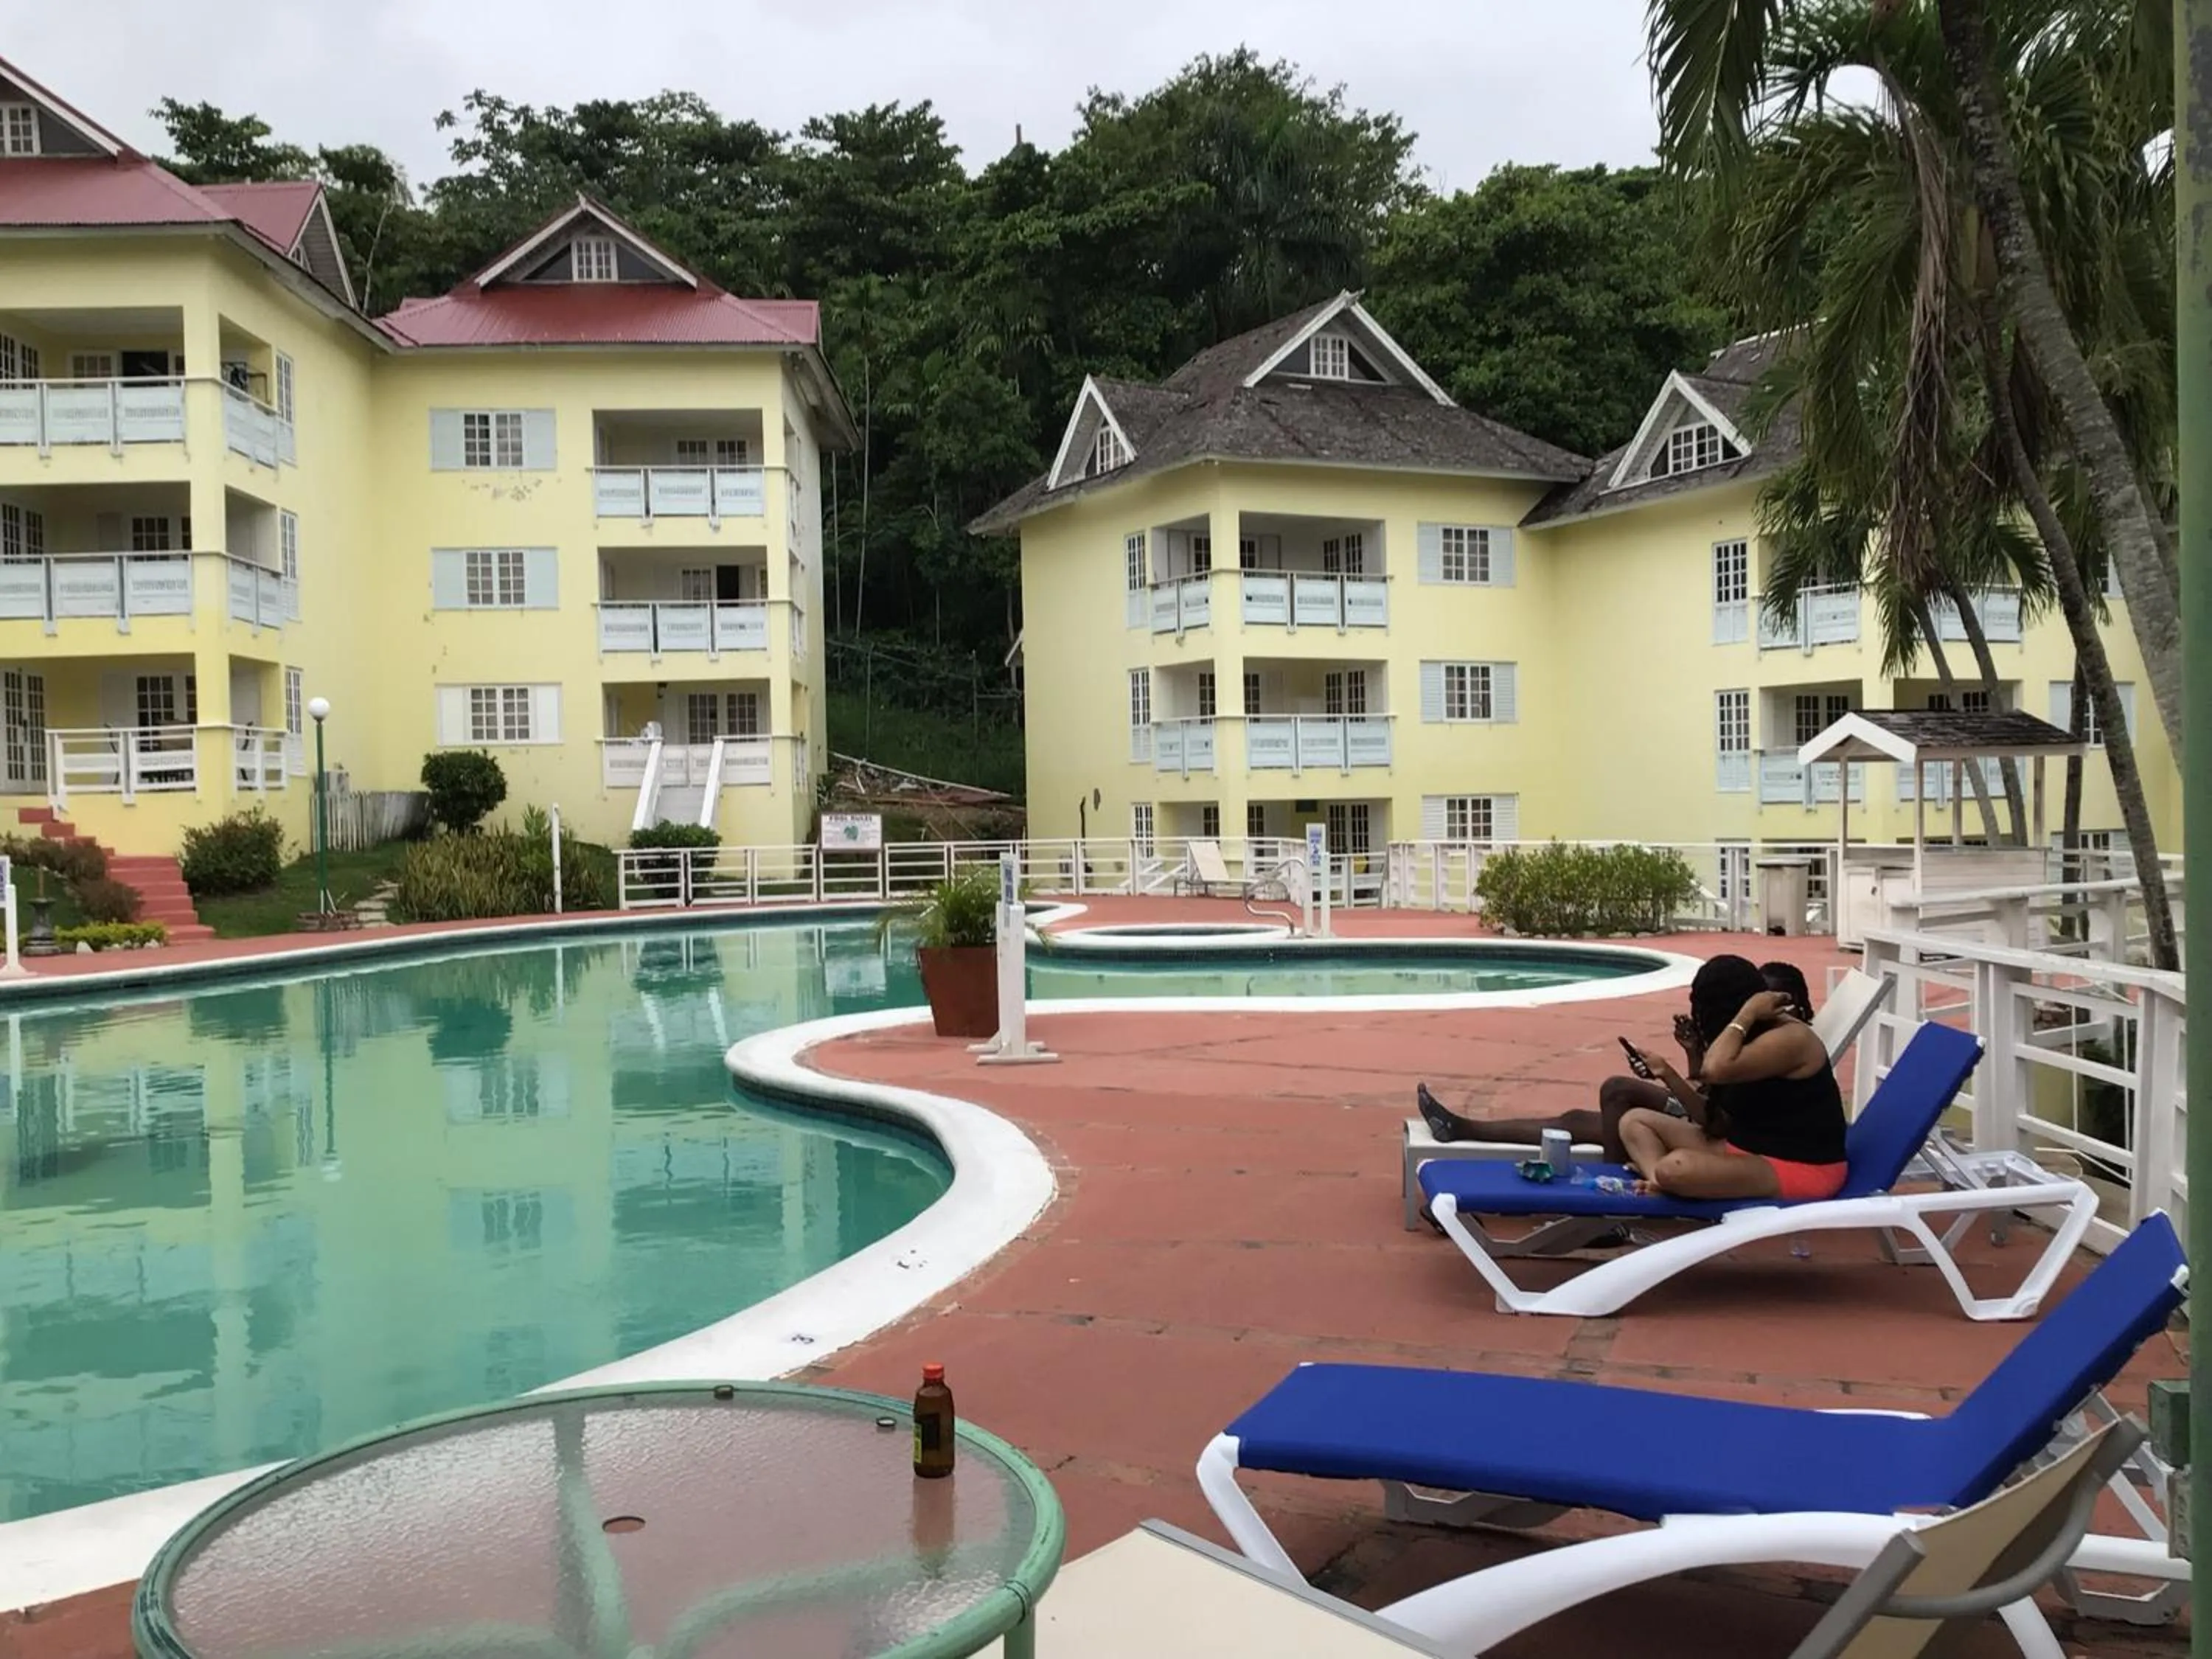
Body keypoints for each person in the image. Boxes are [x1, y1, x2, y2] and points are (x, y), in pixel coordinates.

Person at [1413, 959, 1822, 1163]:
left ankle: (1609, 1194)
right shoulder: (1760, 1036)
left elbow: (1715, 1103)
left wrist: (1675, 1069)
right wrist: (1688, 1053)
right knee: (1577, 1119)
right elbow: (1712, 1088)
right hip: (1715, 1120)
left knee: (1616, 1093)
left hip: (1736, 1142)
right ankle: (1465, 1128)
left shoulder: (1783, 1041)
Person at [1616, 953, 1848, 1201]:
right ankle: (1656, 1181)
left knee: (1675, 1168)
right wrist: (1666, 1073)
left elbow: (1714, 1068)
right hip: (1748, 1149)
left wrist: (1747, 1013)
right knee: (1634, 1122)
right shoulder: (1744, 1039)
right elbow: (1715, 1123)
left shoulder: (1790, 1038)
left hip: (1801, 1167)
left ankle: (1663, 1178)